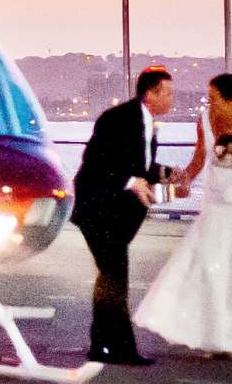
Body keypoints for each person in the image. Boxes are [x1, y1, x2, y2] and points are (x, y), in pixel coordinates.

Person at [134, 73, 232, 358]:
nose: (209, 102)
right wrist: (184, 179)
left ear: (231, 100)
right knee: (209, 267)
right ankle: (213, 337)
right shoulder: (204, 120)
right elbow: (198, 158)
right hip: (215, 201)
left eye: (215, 98)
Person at [70, 67, 185, 366]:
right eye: (168, 92)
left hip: (115, 213)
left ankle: (100, 345)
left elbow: (141, 165)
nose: (173, 98)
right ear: (151, 93)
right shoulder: (117, 119)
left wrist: (168, 173)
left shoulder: (147, 123)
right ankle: (121, 348)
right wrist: (130, 181)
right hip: (97, 208)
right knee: (115, 274)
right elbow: (96, 163)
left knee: (110, 275)